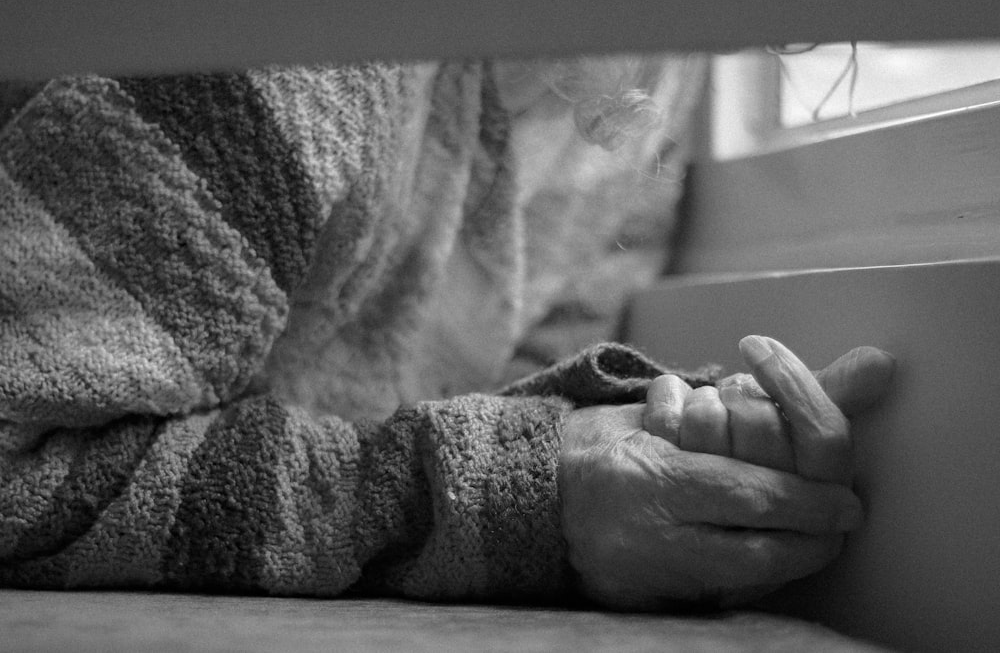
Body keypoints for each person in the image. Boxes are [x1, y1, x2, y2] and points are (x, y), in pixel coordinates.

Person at [0, 55, 893, 608]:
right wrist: (529, 493)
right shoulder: (294, 58)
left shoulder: (656, 78)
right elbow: (16, 467)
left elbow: (502, 418)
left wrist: (686, 464)